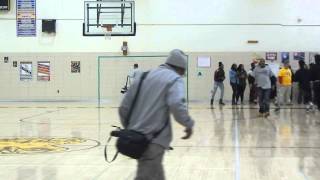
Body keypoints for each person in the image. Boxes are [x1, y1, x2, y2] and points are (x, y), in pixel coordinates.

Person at [119, 49, 195, 180]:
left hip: (138, 140)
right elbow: (177, 104)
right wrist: (188, 124)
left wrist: (132, 131)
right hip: (154, 141)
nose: (183, 75)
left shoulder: (143, 76)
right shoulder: (174, 79)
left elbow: (123, 108)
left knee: (156, 175)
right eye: (183, 72)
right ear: (180, 68)